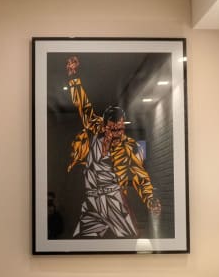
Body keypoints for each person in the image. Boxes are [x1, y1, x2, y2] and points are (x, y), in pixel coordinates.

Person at [65, 55, 161, 238]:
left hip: (113, 200)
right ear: (104, 126)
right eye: (113, 129)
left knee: (129, 240)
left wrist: (150, 199)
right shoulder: (95, 128)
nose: (117, 133)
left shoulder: (129, 147)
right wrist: (73, 78)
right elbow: (83, 106)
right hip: (92, 201)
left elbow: (140, 176)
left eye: (120, 129)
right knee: (81, 240)